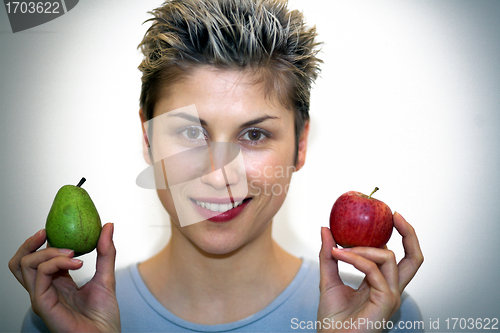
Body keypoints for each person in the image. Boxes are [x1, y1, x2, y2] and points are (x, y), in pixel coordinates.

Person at [9, 0, 424, 332]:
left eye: (255, 135)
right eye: (191, 133)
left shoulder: (381, 315)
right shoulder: (58, 318)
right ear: (148, 138)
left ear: (299, 145)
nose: (219, 174)